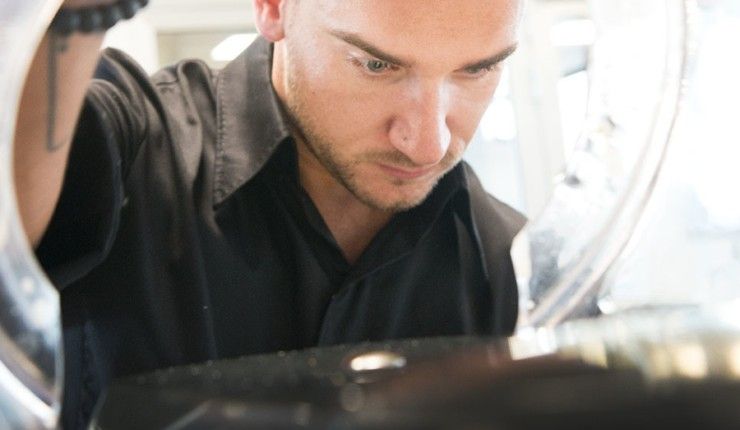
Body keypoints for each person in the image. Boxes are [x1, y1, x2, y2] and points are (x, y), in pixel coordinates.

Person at [13, 0, 526, 427]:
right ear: (274, 7)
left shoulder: (509, 266)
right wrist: (78, 15)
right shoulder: (138, 145)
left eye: (477, 69)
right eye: (376, 65)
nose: (427, 144)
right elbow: (12, 225)